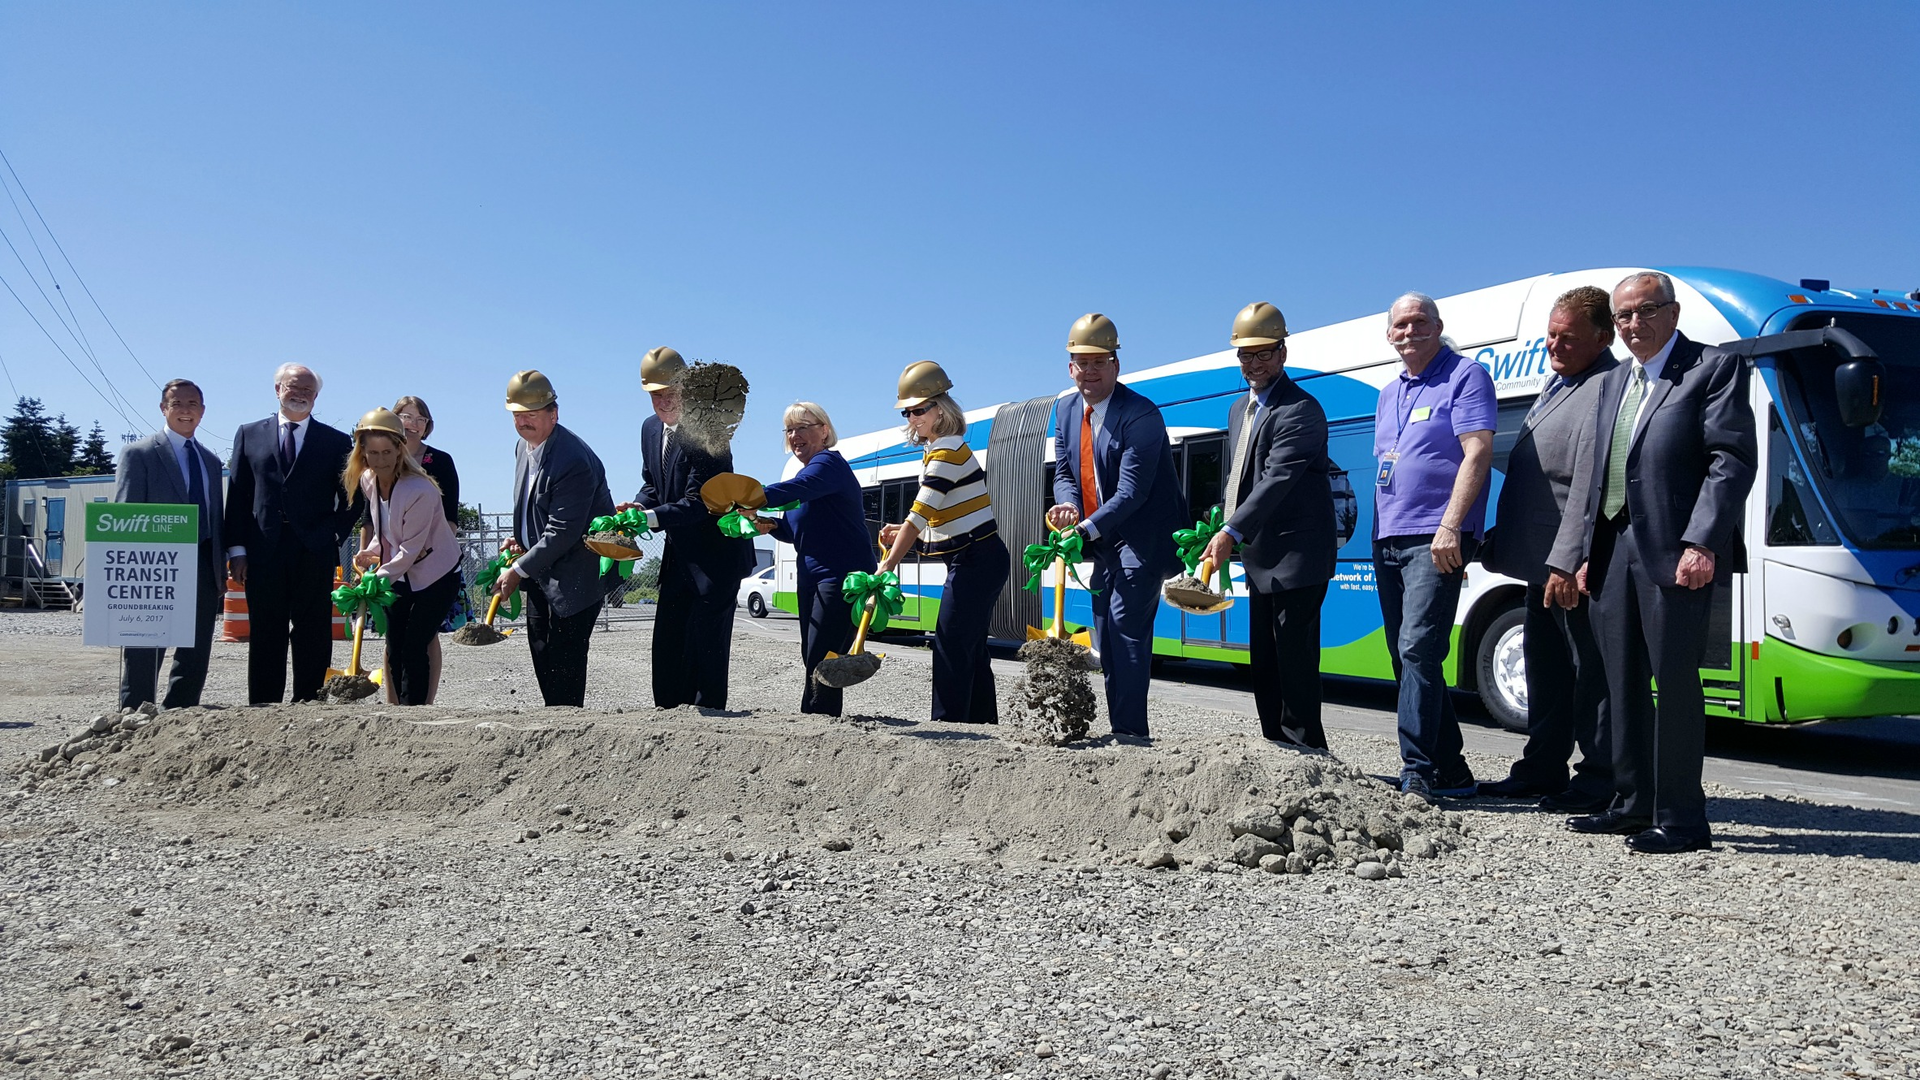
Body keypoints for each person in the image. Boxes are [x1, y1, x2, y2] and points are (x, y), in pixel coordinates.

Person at [1568, 272, 1756, 854]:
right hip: (1612, 549)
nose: (1633, 324)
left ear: (1673, 314)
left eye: (1646, 311)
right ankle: (1630, 804)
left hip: (1677, 553)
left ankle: (1681, 819)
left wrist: (1703, 541)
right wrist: (1580, 553)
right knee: (1618, 681)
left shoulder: (1712, 368)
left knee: (1673, 684)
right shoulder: (1613, 382)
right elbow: (1596, 476)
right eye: (1623, 316)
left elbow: (1730, 460)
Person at [1477, 287, 1619, 811]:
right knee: (1547, 669)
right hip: (1541, 563)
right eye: (1550, 335)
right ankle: (1541, 768)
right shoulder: (1559, 382)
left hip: (1572, 566)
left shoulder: (1607, 387)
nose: (1553, 346)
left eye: (1567, 338)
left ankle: (1598, 777)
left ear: (1601, 338)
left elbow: (1587, 482)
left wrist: (1567, 561)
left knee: (1589, 673)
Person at [1371, 293, 1497, 799]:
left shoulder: (1465, 375)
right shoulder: (1387, 392)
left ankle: (1417, 771)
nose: (1409, 331)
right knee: (1406, 658)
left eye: (1419, 321)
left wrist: (1451, 526)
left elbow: (1479, 451)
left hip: (1435, 536)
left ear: (1438, 326)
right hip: (1389, 537)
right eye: (1400, 324)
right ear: (1389, 334)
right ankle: (1454, 769)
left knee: (1419, 650)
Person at [1198, 303, 1337, 750]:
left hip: (1297, 558)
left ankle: (1307, 751)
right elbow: (1239, 476)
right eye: (1245, 355)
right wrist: (1220, 522)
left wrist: (1231, 531)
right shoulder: (1240, 409)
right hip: (1259, 558)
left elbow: (1276, 479)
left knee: (1293, 661)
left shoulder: (1301, 409)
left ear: (1282, 352)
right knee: (1264, 662)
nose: (1253, 364)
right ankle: (1276, 747)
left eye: (1263, 353)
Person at [1044, 313, 1185, 739]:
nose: (1088, 371)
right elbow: (1064, 472)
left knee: (1125, 629)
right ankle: (1119, 728)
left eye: (1098, 362)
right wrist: (1067, 507)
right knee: (1105, 629)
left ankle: (1130, 734)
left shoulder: (1140, 415)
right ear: (1070, 367)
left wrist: (1083, 529)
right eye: (1079, 362)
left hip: (1142, 540)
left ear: (1115, 365)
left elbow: (1131, 493)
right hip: (1102, 537)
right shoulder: (1065, 409)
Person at [619, 346, 755, 709]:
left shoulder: (710, 434)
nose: (662, 401)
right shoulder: (650, 430)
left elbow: (699, 502)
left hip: (715, 562)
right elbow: (653, 483)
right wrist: (638, 505)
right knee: (667, 644)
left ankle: (708, 725)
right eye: (654, 395)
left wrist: (648, 519)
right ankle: (668, 718)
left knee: (704, 652)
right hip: (679, 559)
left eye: (670, 393)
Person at [878, 362, 1010, 724]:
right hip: (978, 558)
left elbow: (918, 516)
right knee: (969, 647)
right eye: (908, 411)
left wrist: (887, 564)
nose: (912, 417)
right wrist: (904, 537)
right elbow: (938, 524)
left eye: (919, 409)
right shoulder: (941, 450)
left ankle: (948, 727)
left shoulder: (946, 453)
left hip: (976, 559)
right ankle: (981, 724)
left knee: (951, 643)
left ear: (941, 408)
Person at [224, 363, 359, 704]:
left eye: (308, 390)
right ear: (277, 390)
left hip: (313, 551)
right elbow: (238, 497)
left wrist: (332, 536)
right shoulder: (248, 433)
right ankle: (264, 705)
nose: (300, 395)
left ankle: (309, 704)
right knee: (267, 632)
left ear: (316, 396)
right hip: (261, 551)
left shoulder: (336, 441)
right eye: (293, 387)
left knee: (313, 632)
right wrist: (236, 550)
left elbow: (353, 498)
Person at [490, 370, 615, 707]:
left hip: (576, 576)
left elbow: (563, 531)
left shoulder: (572, 459)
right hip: (541, 573)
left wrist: (517, 569)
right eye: (517, 415)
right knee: (544, 659)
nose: (523, 422)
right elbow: (535, 509)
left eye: (532, 414)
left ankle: (572, 742)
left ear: (553, 414)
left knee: (565, 669)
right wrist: (521, 542)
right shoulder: (523, 447)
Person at [753, 402, 876, 717]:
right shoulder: (806, 475)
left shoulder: (827, 465)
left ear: (824, 430)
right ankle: (817, 723)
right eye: (790, 429)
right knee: (813, 656)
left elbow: (799, 489)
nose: (795, 435)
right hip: (811, 577)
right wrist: (770, 524)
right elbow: (796, 532)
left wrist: (749, 495)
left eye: (803, 427)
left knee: (823, 657)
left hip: (840, 578)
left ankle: (819, 725)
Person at [113, 379, 225, 710]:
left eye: (193, 404)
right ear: (164, 409)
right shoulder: (140, 454)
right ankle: (135, 712)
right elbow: (125, 515)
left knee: (195, 645)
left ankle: (181, 710)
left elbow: (216, 518)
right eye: (178, 404)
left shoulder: (211, 462)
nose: (186, 411)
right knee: (146, 643)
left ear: (202, 411)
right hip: (155, 564)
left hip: (203, 563)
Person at [344, 409, 460, 706]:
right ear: (363, 453)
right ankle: (399, 713)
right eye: (373, 453)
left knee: (414, 645)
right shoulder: (369, 480)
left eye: (387, 452)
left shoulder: (419, 490)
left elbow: (411, 549)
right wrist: (367, 554)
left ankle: (417, 711)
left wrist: (375, 581)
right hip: (400, 572)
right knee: (394, 645)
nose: (380, 460)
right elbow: (383, 530)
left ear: (399, 449)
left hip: (436, 574)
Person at [380, 395, 463, 704]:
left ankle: (422, 704)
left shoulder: (439, 462)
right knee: (394, 639)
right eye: (405, 417)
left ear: (428, 426)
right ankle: (394, 704)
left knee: (423, 638)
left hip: (433, 565)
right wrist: (371, 559)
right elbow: (372, 518)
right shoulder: (380, 462)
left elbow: (450, 517)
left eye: (420, 419)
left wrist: (423, 554)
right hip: (392, 567)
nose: (412, 424)